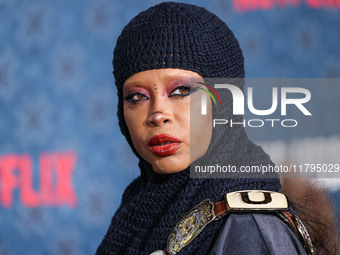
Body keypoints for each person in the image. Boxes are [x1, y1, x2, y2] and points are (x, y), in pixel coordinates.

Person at [96, 2, 328, 254]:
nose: (157, 114)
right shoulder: (135, 212)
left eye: (181, 91)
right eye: (137, 97)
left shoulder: (250, 227)